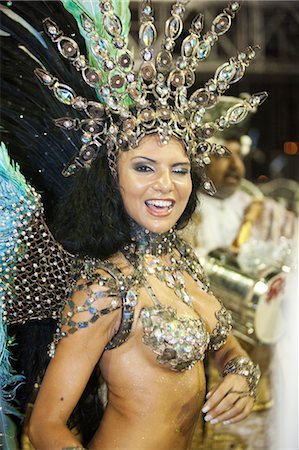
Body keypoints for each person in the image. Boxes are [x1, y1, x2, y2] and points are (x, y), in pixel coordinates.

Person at [0, 1, 266, 449]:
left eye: (179, 170)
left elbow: (226, 345)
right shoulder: (104, 288)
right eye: (144, 168)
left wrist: (241, 375)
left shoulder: (181, 263)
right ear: (113, 178)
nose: (165, 185)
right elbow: (45, 426)